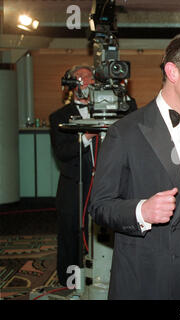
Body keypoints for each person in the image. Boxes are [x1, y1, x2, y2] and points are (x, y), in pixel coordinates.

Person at [88, 33, 180, 299]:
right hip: (142, 277)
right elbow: (100, 205)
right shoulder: (125, 131)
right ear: (172, 71)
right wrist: (142, 210)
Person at [49, 65, 96, 287]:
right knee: (71, 236)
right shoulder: (59, 116)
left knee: (98, 236)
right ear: (71, 84)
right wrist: (85, 137)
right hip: (73, 186)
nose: (87, 81)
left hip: (101, 186)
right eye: (82, 77)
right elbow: (62, 152)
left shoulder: (107, 112)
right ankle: (70, 284)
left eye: (90, 77)